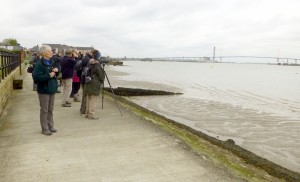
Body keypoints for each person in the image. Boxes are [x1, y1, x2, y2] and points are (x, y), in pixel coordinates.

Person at [32, 45, 59, 136]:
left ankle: (50, 126)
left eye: (51, 50)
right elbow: (36, 77)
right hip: (44, 90)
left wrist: (56, 70)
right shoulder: (39, 64)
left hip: (51, 89)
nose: (52, 52)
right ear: (44, 53)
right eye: (49, 51)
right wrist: (48, 75)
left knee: (50, 109)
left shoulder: (51, 61)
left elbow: (56, 71)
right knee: (44, 110)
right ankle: (45, 128)